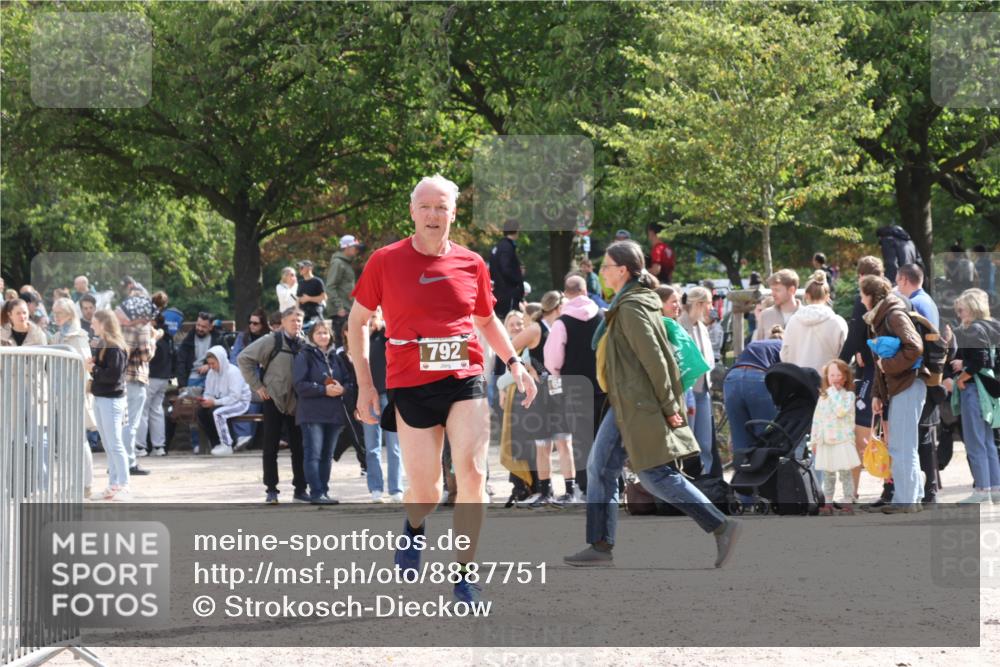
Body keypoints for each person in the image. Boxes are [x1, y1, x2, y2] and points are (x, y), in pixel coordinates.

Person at [347, 174, 535, 604]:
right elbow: (357, 322)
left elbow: (486, 320)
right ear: (412, 212)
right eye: (426, 207)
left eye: (442, 207)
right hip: (410, 383)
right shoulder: (384, 260)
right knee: (426, 492)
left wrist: (514, 362)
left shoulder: (472, 263)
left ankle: (465, 573)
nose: (434, 215)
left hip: (464, 377)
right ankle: (414, 526)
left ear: (453, 213)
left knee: (471, 475)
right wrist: (364, 385)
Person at [564, 240, 741, 568]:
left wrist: (670, 405)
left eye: (605, 266)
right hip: (628, 401)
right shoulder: (626, 303)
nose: (601, 272)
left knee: (653, 475)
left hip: (639, 403)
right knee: (603, 469)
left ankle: (721, 525)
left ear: (622, 270)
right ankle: (601, 545)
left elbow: (656, 358)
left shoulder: (631, 307)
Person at [862, 274, 927, 513]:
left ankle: (905, 501)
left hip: (908, 384)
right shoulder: (880, 318)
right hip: (901, 385)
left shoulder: (893, 315)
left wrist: (887, 368)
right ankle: (913, 498)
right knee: (905, 444)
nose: (861, 299)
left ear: (871, 296)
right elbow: (882, 360)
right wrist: (878, 394)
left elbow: (915, 346)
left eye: (862, 294)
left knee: (901, 446)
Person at [509, 290, 575, 507]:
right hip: (541, 393)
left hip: (560, 391)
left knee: (565, 443)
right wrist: (527, 369)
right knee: (542, 445)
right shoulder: (537, 328)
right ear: (556, 307)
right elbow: (509, 349)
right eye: (564, 306)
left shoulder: (564, 326)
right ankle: (545, 491)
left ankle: (570, 491)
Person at [238, 306, 308, 504]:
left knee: (299, 447)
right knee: (270, 447)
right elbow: (244, 358)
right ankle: (271, 489)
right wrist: (257, 386)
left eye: (300, 321)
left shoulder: (305, 343)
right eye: (293, 320)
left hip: (297, 402)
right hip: (273, 399)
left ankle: (301, 489)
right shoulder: (272, 340)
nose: (297, 324)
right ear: (283, 322)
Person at [544, 274, 603, 499]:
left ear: (565, 294)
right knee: (603, 437)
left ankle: (585, 487)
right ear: (586, 291)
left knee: (580, 439)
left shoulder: (562, 322)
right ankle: (611, 485)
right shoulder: (602, 317)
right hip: (602, 386)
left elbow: (552, 360)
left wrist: (558, 374)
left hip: (574, 386)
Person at [840, 256, 887, 508]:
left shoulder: (865, 301)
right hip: (891, 375)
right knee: (888, 434)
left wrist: (839, 364)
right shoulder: (895, 298)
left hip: (870, 375)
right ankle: (892, 487)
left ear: (861, 277)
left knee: (861, 435)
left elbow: (855, 335)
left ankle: (852, 492)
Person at [896, 262, 943, 503]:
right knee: (925, 436)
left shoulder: (915, 305)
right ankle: (930, 490)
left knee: (920, 437)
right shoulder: (928, 301)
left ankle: (927, 492)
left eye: (897, 281)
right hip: (930, 376)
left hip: (919, 376)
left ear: (904, 280)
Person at [292, 319, 352, 504]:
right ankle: (316, 493)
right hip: (312, 413)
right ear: (312, 336)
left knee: (327, 455)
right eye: (318, 333)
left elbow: (350, 381)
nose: (323, 336)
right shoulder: (304, 356)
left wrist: (344, 389)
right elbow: (299, 385)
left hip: (333, 413)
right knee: (314, 454)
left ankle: (324, 491)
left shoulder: (337, 357)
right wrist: (323, 390)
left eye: (325, 333)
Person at [949, 288, 1000, 504]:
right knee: (988, 442)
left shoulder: (973, 329)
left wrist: (962, 375)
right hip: (990, 391)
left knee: (975, 442)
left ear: (971, 309)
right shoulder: (993, 326)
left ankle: (981, 490)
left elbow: (980, 360)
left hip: (974, 390)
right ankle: (995, 489)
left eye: (961, 309)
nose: (959, 314)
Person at [49, 297, 95, 495]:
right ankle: (75, 483)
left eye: (58, 313)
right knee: (68, 441)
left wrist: (81, 392)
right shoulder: (59, 335)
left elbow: (86, 366)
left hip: (74, 393)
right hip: (61, 393)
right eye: (54, 312)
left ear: (69, 314)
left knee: (78, 440)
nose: (55, 316)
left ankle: (85, 483)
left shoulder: (77, 336)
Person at [723, 328, 783, 480]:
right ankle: (769, 491)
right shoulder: (784, 346)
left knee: (741, 444)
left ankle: (745, 497)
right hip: (757, 379)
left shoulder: (757, 344)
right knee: (768, 440)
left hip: (732, 379)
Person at [360, 307, 403, 503]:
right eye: (367, 318)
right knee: (372, 447)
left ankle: (395, 489)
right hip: (369, 397)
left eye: (374, 317)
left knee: (394, 446)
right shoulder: (360, 341)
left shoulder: (386, 336)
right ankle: (376, 488)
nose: (370, 321)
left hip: (389, 396)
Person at [87, 310, 130, 500]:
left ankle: (123, 484)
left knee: (115, 444)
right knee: (108, 443)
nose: (91, 325)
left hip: (111, 399)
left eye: (94, 322)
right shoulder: (105, 345)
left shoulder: (114, 346)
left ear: (103, 324)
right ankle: (114, 484)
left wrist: (93, 368)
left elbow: (113, 376)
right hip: (102, 398)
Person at [812, 359, 860, 514]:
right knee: (828, 475)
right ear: (827, 377)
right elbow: (817, 420)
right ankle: (828, 504)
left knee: (845, 473)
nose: (835, 378)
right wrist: (814, 441)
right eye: (832, 375)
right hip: (826, 441)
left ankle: (848, 503)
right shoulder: (823, 397)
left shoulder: (848, 396)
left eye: (839, 375)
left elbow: (841, 411)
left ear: (845, 377)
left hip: (842, 441)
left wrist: (833, 392)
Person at [678, 286, 716, 475]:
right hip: (688, 391)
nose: (712, 308)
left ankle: (706, 480)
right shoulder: (679, 325)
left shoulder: (701, 327)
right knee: (689, 443)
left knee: (705, 443)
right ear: (700, 304)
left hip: (704, 390)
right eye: (709, 303)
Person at [780, 271, 847, 374]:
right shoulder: (837, 322)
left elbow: (784, 354)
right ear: (827, 296)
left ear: (806, 295)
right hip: (829, 381)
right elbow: (846, 356)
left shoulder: (793, 321)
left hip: (799, 379)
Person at [118, 296, 157, 474]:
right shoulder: (142, 328)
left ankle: (117, 463)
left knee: (120, 424)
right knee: (131, 424)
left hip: (120, 379)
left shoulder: (120, 327)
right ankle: (130, 463)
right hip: (135, 378)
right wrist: (154, 339)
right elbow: (145, 355)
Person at [197, 345, 251, 456]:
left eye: (213, 364)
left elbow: (235, 397)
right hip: (222, 401)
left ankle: (227, 444)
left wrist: (214, 402)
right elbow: (208, 392)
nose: (211, 367)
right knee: (201, 411)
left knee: (218, 413)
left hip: (240, 402)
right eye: (209, 364)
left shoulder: (233, 372)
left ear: (221, 360)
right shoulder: (211, 373)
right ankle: (216, 443)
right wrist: (206, 400)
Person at [228, 308, 268, 450]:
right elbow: (234, 358)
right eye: (250, 322)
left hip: (260, 380)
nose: (251, 326)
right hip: (242, 377)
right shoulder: (242, 337)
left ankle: (246, 437)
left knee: (254, 400)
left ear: (263, 325)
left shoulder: (268, 338)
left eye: (255, 323)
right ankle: (242, 436)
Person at [138, 310, 175, 457]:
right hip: (163, 377)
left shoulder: (153, 335)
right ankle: (159, 446)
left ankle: (140, 447)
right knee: (157, 410)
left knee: (143, 411)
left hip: (151, 376)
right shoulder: (168, 336)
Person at [326, 235, 362, 346]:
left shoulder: (345, 263)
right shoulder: (338, 263)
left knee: (348, 344)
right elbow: (330, 286)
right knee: (342, 344)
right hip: (341, 312)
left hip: (347, 309)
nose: (357, 250)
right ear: (346, 247)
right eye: (354, 247)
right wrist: (339, 307)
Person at [489, 219, 525, 320]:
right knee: (510, 320)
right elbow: (506, 268)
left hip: (499, 291)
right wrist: (517, 277)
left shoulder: (499, 246)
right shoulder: (507, 247)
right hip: (508, 293)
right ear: (516, 230)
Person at [752, 269, 800, 341]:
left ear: (791, 290)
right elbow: (759, 348)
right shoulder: (765, 315)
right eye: (772, 290)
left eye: (777, 290)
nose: (773, 294)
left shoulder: (806, 316)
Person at [295, 260, 327, 330]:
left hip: (315, 316)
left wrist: (309, 298)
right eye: (299, 268)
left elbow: (324, 297)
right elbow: (298, 299)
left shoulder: (317, 281)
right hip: (303, 316)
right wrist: (296, 311)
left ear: (309, 268)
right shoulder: (300, 282)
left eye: (302, 267)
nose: (300, 269)